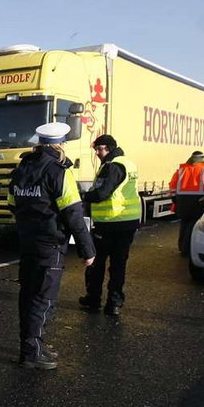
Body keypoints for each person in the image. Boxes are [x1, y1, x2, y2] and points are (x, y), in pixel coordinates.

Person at [8, 122, 95, 370]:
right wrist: (87, 250)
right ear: (60, 144)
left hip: (27, 241)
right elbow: (73, 215)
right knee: (43, 298)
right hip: (50, 244)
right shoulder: (59, 172)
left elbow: (13, 204)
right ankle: (32, 352)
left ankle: (30, 345)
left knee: (28, 296)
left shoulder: (22, 168)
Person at [79, 134, 141, 316]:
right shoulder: (128, 163)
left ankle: (93, 299)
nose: (97, 153)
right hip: (127, 224)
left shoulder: (111, 166)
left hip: (108, 224)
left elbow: (102, 194)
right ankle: (114, 303)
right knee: (118, 265)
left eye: (99, 149)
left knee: (96, 263)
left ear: (108, 148)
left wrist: (83, 196)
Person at [169, 151, 204, 255]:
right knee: (193, 224)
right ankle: (187, 249)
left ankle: (181, 247)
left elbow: (172, 184)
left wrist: (174, 197)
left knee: (184, 223)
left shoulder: (181, 170)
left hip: (182, 201)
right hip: (198, 201)